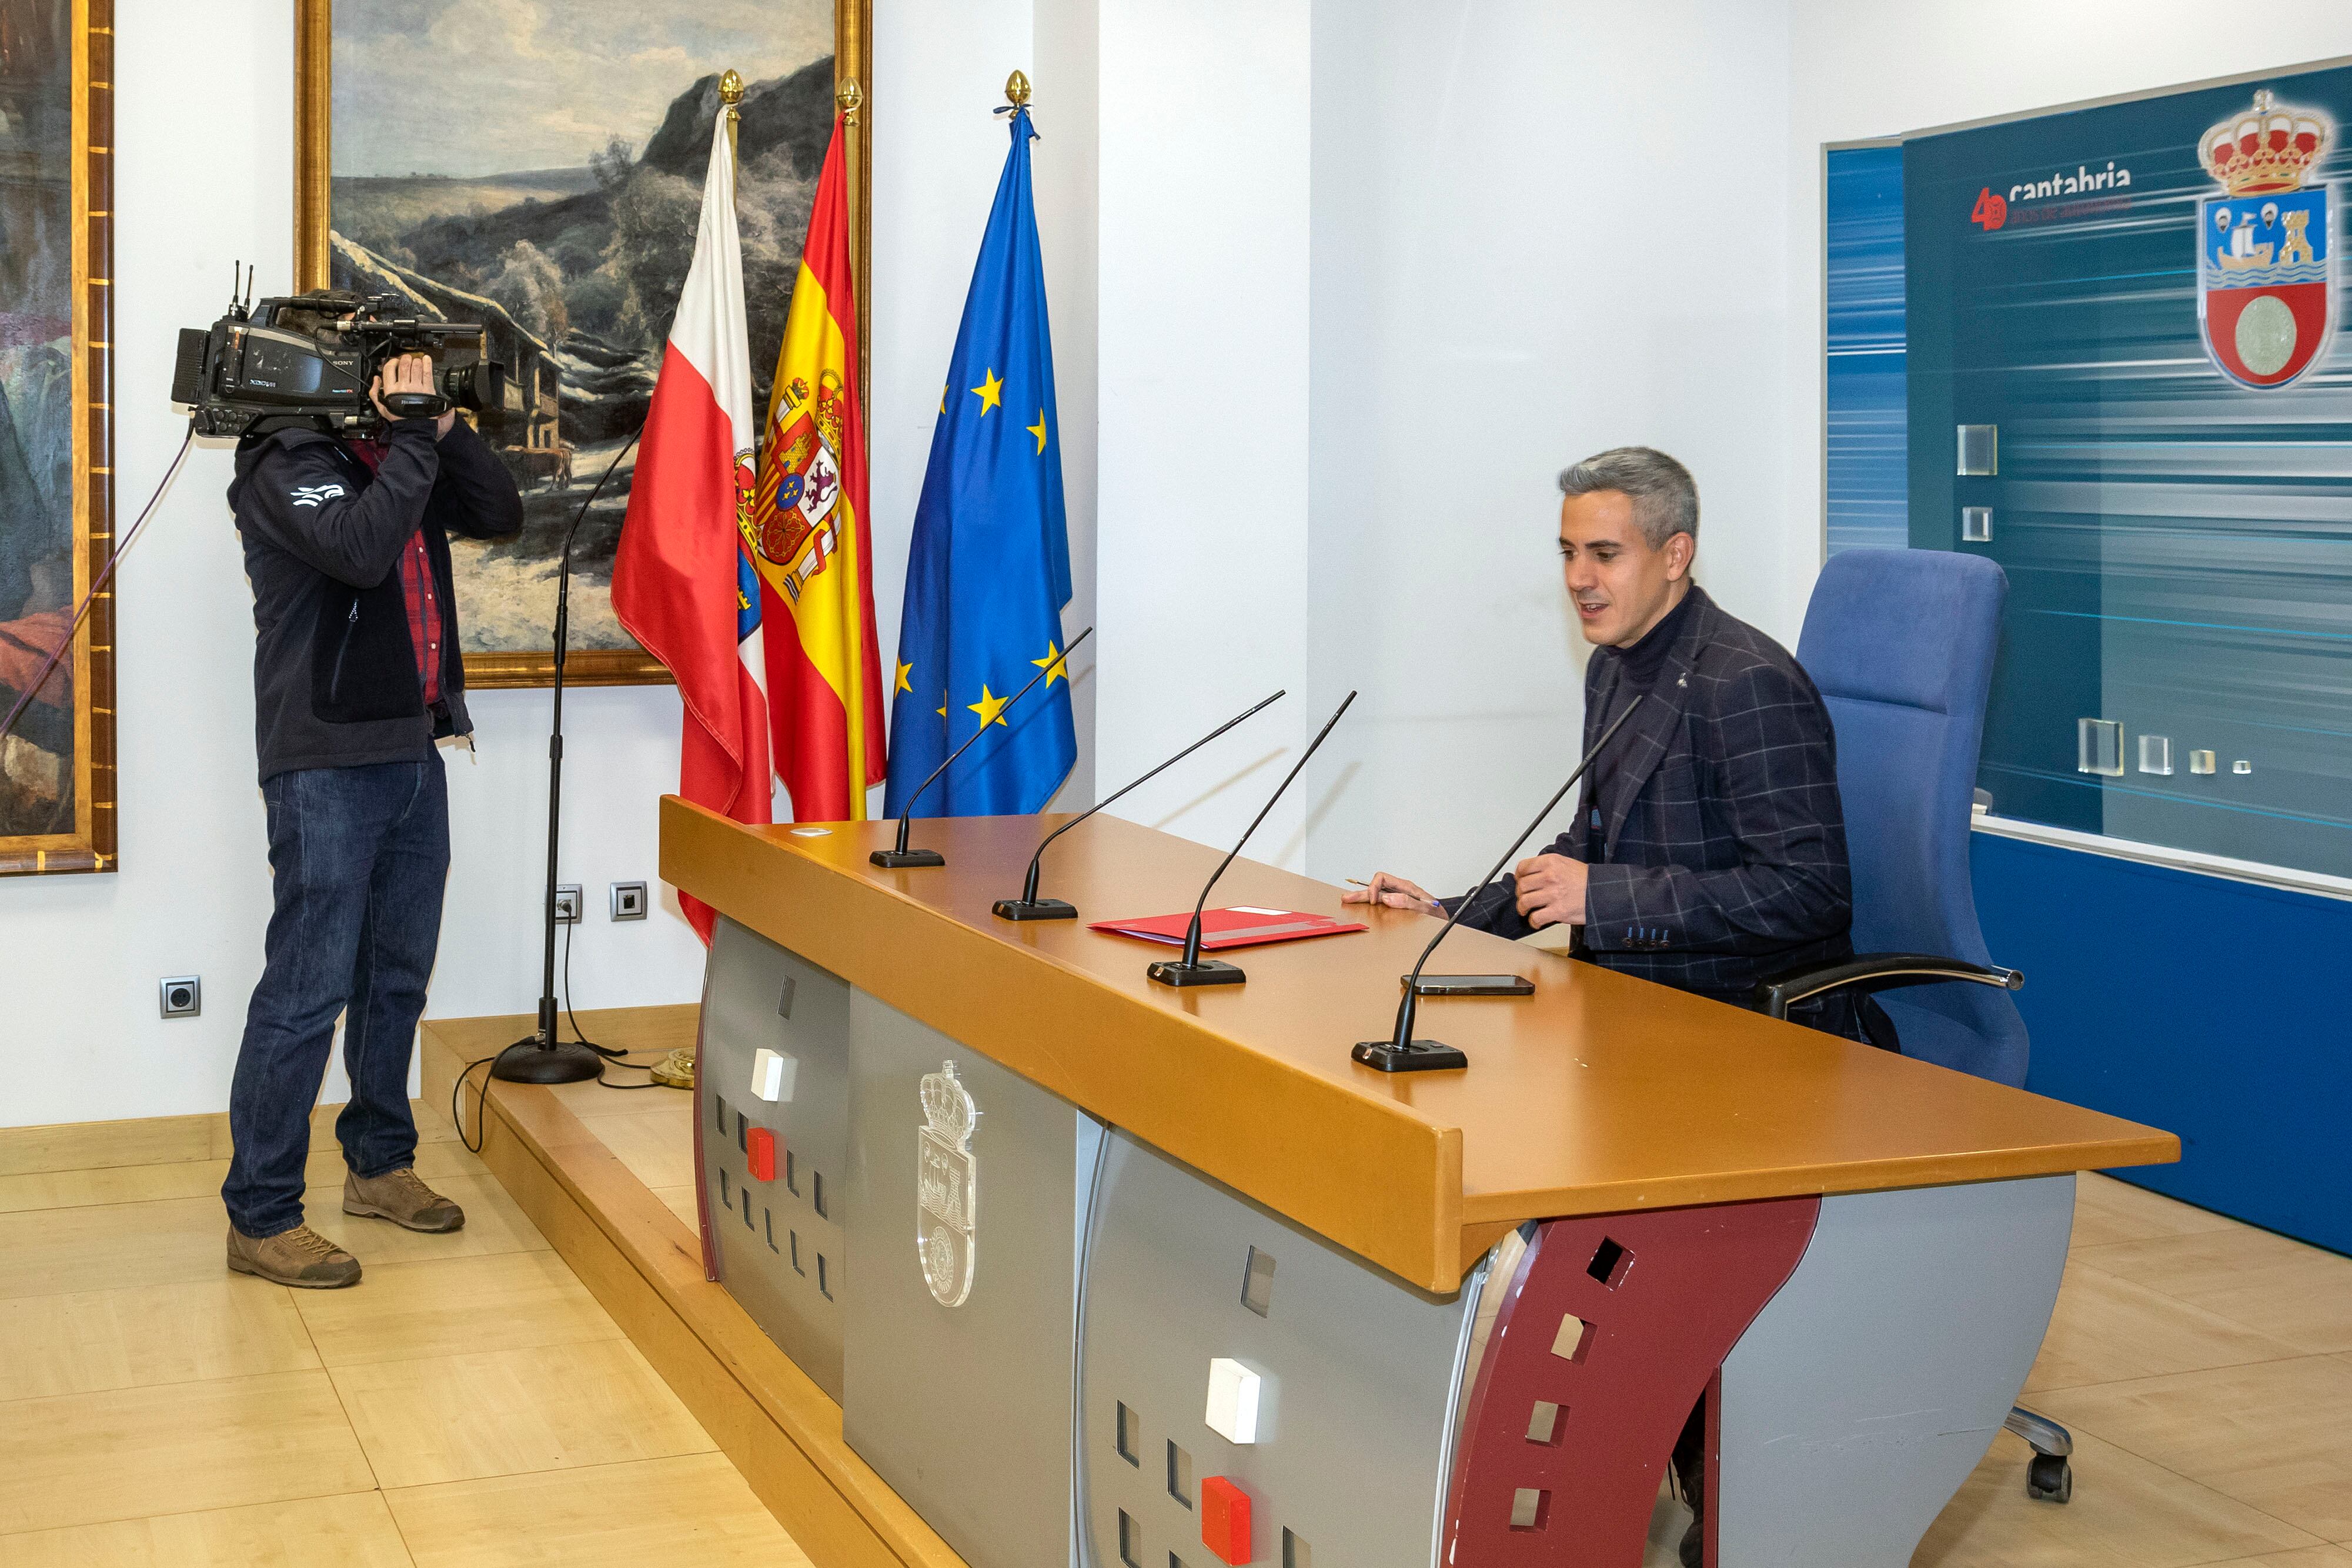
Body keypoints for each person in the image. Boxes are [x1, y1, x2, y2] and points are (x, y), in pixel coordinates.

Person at [1342, 444, 1877, 1567]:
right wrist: (1442, 912)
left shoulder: (1745, 683)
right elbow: (1584, 856)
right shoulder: (1618, 669)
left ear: (1674, 556)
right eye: (1569, 556)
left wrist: (1610, 896)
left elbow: (1813, 891)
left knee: (1610, 1254)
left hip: (1751, 1031)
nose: (1581, 579)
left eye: (1605, 554)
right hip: (1639, 1012)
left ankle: (1714, 1497)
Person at [220, 345, 523, 1289]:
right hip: (323, 763)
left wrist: (440, 427)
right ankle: (263, 1216)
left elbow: (502, 514)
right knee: (307, 991)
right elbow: (357, 552)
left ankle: (379, 1164)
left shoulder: (391, 458)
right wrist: (404, 442)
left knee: (396, 977)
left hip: (412, 751)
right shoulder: (284, 462)